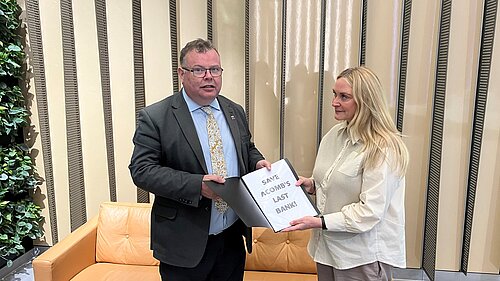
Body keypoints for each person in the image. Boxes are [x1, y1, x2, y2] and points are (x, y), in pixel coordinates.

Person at [129, 38, 271, 281]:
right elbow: (141, 170)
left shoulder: (234, 110)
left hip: (231, 238)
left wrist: (257, 162)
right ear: (181, 74)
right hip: (184, 242)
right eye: (199, 70)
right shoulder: (156, 117)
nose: (209, 76)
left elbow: (246, 149)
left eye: (215, 69)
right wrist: (197, 186)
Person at [282, 66, 409, 281]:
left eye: (344, 97)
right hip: (327, 252)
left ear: (365, 101)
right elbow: (334, 180)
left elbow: (370, 211)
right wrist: (312, 185)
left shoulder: (383, 147)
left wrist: (320, 222)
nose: (334, 102)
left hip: (361, 257)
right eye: (334, 94)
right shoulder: (335, 134)